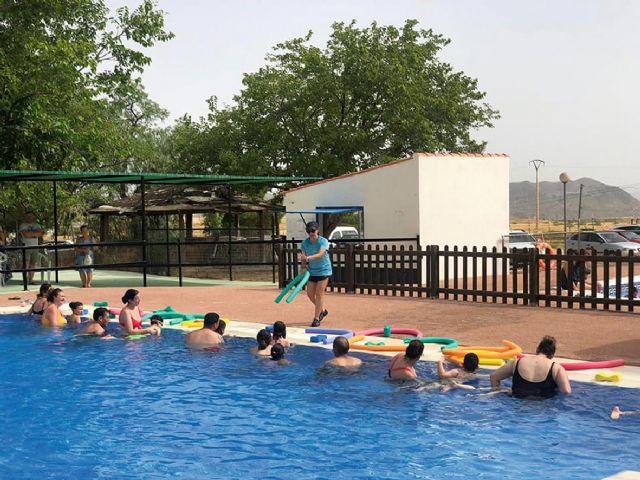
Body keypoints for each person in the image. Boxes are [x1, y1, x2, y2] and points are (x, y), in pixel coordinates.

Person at [490, 335, 571, 398]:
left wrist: (497, 392)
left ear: (537, 350)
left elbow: (494, 377)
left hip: (517, 406)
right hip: (542, 409)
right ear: (552, 355)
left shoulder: (517, 362)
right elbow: (566, 391)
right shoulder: (557, 368)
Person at [300, 221, 333, 327]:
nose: (311, 233)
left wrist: (308, 258)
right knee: (310, 294)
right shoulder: (305, 243)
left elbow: (321, 254)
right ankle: (322, 310)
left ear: (317, 230)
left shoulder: (323, 241)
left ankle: (316, 318)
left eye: (313, 230)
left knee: (319, 294)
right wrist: (303, 267)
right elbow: (303, 257)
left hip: (324, 270)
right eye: (309, 231)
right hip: (312, 271)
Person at [18, 211, 44, 284]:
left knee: (33, 264)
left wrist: (32, 234)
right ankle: (25, 281)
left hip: (35, 246)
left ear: (33, 217)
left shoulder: (37, 225)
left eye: (31, 216)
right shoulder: (23, 225)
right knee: (26, 264)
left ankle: (31, 280)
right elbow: (26, 235)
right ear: (25, 217)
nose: (29, 218)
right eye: (28, 216)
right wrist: (35, 234)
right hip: (26, 246)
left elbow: (41, 233)